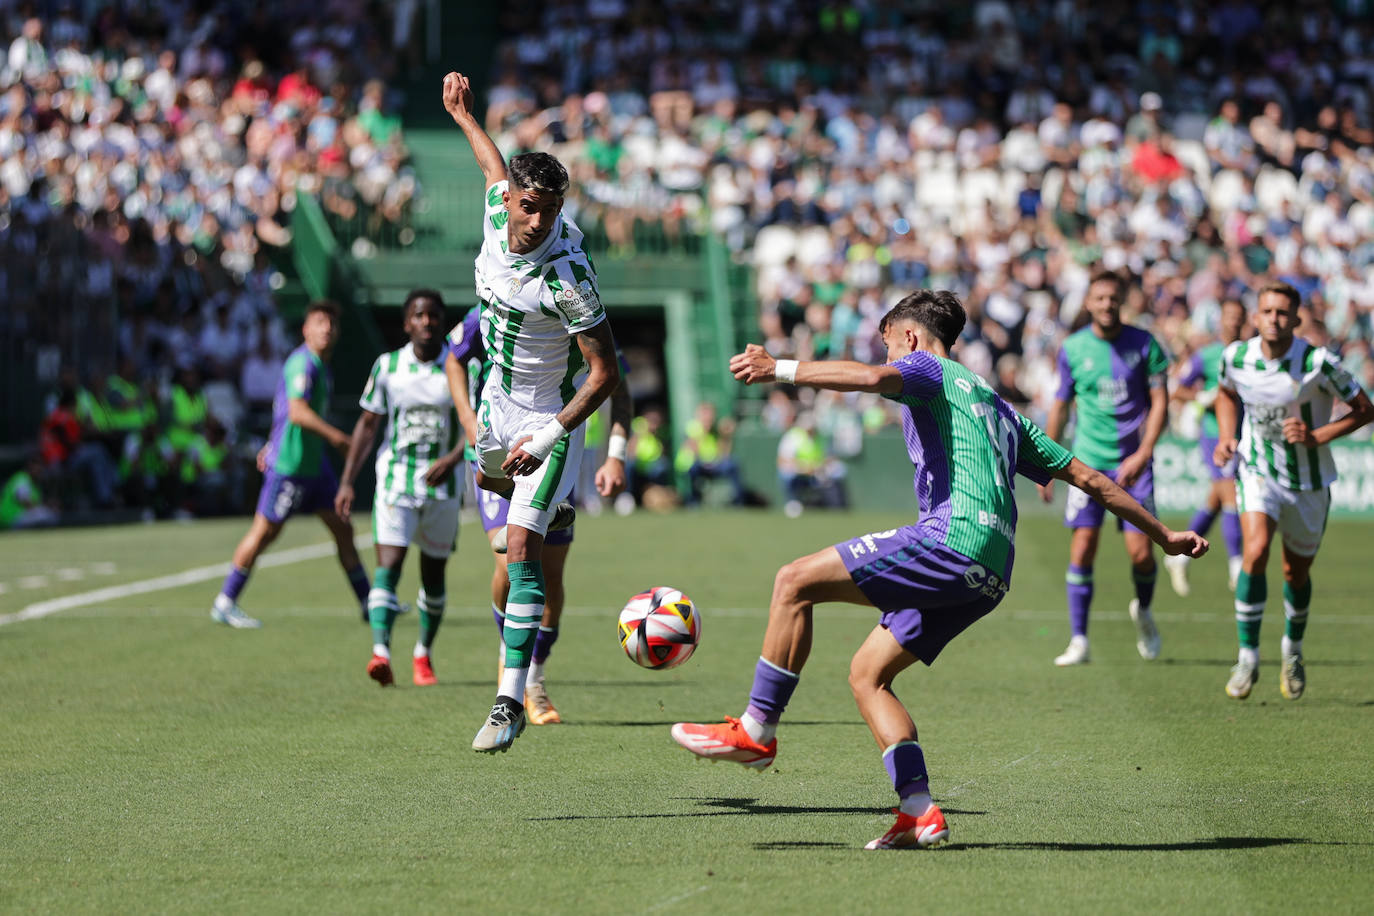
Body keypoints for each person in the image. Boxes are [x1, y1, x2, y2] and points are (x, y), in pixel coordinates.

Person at [669, 290, 1208, 850]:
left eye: (888, 345)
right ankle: (919, 810)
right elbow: (1090, 479)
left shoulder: (928, 367)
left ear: (908, 337)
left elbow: (874, 380)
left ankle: (756, 729)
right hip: (992, 574)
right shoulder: (1002, 409)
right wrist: (1163, 534)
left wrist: (780, 368)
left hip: (953, 540)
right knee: (868, 675)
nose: (889, 358)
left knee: (793, 580)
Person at [443, 71, 622, 751]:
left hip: (548, 416)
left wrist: (550, 435)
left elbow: (604, 373)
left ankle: (510, 700)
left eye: (549, 210)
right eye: (529, 207)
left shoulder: (569, 277)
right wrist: (462, 114)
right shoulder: (497, 206)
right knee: (491, 484)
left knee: (521, 549)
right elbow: (492, 166)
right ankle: (546, 502)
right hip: (494, 407)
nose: (537, 221)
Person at [447, 304, 633, 723]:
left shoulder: (582, 314)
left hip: (554, 453)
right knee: (510, 561)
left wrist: (616, 456)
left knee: (550, 577)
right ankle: (513, 666)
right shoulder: (503, 301)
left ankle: (534, 674)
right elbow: (453, 356)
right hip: (502, 449)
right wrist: (466, 419)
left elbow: (617, 387)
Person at [1214, 282, 1374, 700]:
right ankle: (1247, 657)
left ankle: (1292, 649)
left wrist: (1317, 436)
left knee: (1294, 573)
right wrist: (1226, 436)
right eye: (1267, 311)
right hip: (1256, 471)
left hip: (1308, 483)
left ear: (1296, 320)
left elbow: (1364, 409)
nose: (1274, 319)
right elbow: (1226, 394)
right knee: (1255, 551)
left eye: (1283, 313)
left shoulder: (1318, 363)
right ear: (1255, 317)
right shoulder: (1236, 357)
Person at [210, 301, 370, 628]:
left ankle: (370, 604)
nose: (327, 328)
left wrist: (270, 441)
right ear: (306, 329)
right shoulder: (303, 364)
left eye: (331, 324)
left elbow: (282, 411)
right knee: (265, 532)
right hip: (291, 466)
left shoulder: (321, 367)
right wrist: (337, 438)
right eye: (320, 322)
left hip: (315, 466)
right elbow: (296, 412)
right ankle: (225, 601)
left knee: (343, 528)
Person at [1040, 270, 1170, 666]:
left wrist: (1144, 451)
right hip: (1087, 466)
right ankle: (1079, 640)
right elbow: (1061, 405)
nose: (1107, 305)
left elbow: (1161, 401)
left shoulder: (1145, 343)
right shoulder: (1073, 348)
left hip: (1133, 467)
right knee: (1082, 549)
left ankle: (1144, 613)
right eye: (1100, 298)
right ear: (1088, 303)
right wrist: (1046, 460)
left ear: (1122, 301)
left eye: (1113, 298)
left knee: (1142, 555)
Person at [336, 290, 465, 687]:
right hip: (396, 483)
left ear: (442, 321)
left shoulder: (460, 366)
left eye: (433, 315)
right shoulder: (388, 366)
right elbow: (368, 423)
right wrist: (346, 481)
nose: (426, 322)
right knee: (387, 569)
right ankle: (380, 653)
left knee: (433, 577)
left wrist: (452, 459)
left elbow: (478, 423)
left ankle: (423, 653)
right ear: (407, 323)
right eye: (418, 315)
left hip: (443, 489)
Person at [1165, 298, 1248, 595]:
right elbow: (1177, 388)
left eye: (1239, 317)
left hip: (1244, 435)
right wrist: (1201, 399)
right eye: (1230, 316)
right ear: (1221, 320)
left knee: (1216, 498)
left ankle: (1177, 558)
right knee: (1231, 495)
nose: (1234, 323)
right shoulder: (1207, 355)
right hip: (1214, 434)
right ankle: (1237, 566)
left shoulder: (1251, 354)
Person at [675, 401, 745, 506]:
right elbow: (694, 451)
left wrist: (725, 437)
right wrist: (704, 431)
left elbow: (725, 454)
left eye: (711, 415)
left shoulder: (715, 431)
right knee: (694, 468)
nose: (709, 418)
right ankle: (693, 502)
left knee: (732, 464)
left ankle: (738, 502)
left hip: (712, 465)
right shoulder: (693, 427)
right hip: (692, 464)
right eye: (706, 415)